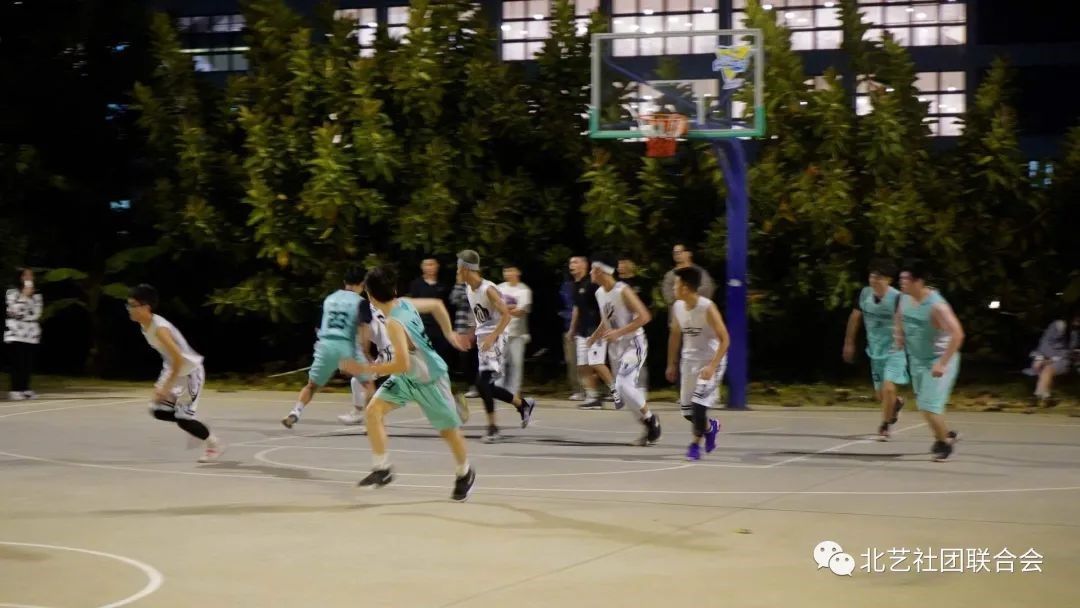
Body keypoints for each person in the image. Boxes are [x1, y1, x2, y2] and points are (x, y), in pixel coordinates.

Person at [338, 265, 475, 501]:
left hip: (429, 379)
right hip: (407, 378)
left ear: (370, 295)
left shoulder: (394, 323)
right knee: (373, 412)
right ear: (394, 289)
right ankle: (382, 469)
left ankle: (465, 472)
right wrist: (449, 333)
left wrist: (366, 369)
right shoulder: (404, 302)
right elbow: (437, 305)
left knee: (448, 432)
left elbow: (401, 363)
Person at [127, 284, 223, 463]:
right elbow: (171, 359)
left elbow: (178, 359)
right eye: (128, 305)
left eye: (132, 305)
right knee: (157, 410)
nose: (129, 309)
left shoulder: (160, 328)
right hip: (173, 369)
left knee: (183, 420)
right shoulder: (144, 325)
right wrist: (164, 385)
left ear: (146, 307)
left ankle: (212, 443)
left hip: (190, 371)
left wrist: (166, 387)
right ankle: (190, 420)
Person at [457, 250, 536, 442]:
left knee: (482, 382)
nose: (457, 271)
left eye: (458, 267)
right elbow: (479, 316)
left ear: (466, 268)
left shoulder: (488, 289)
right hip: (483, 338)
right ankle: (522, 404)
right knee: (486, 386)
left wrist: (492, 337)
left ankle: (493, 428)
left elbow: (506, 316)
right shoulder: (469, 288)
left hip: (497, 337)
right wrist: (469, 334)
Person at [281, 267, 371, 429]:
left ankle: (295, 412)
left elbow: (318, 327)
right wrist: (365, 352)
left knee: (311, 385)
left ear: (345, 282)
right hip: (347, 345)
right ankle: (370, 422)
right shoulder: (361, 302)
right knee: (368, 385)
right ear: (362, 284)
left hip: (326, 345)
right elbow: (364, 328)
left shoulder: (329, 299)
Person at [587, 254, 662, 446]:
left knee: (622, 385)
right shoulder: (599, 293)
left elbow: (645, 316)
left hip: (633, 344)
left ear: (602, 271)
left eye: (593, 269)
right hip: (616, 347)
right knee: (623, 391)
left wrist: (618, 332)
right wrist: (594, 337)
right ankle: (648, 428)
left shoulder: (623, 290)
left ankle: (651, 419)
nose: (590, 272)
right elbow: (606, 320)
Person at [896, 261, 962, 462]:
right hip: (917, 360)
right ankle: (945, 435)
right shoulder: (904, 299)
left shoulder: (936, 305)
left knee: (929, 406)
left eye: (906, 279)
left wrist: (942, 363)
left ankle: (944, 444)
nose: (902, 283)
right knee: (923, 405)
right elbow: (899, 316)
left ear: (919, 281)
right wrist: (899, 335)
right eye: (901, 279)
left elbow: (958, 334)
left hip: (939, 360)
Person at [666, 266, 729, 461]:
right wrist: (671, 363)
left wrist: (712, 366)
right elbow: (675, 335)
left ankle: (694, 445)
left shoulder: (707, 307)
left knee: (699, 405)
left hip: (710, 361)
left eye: (675, 285)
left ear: (685, 287)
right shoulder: (677, 307)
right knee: (688, 412)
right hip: (689, 361)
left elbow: (725, 339)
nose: (673, 288)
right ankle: (711, 428)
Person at [843, 259, 909, 440]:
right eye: (872, 276)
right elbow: (855, 318)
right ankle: (896, 403)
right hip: (875, 351)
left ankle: (885, 425)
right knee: (881, 396)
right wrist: (849, 343)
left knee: (888, 388)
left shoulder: (897, 298)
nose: (874, 280)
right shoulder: (865, 294)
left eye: (879, 277)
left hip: (894, 351)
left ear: (889, 280)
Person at [567, 255, 609, 409]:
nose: (572, 265)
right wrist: (572, 329)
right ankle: (593, 397)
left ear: (584, 265)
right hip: (582, 331)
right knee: (582, 366)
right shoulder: (574, 285)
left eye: (575, 262)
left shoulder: (592, 284)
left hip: (596, 329)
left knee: (597, 364)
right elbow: (576, 308)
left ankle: (617, 391)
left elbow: (604, 306)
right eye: (570, 262)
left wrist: (605, 327)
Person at [1025, 309, 1080, 407]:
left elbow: (1070, 351)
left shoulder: (1074, 333)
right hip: (1047, 357)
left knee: (1047, 369)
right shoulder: (1057, 326)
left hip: (1062, 360)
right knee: (1041, 367)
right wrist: (1041, 358)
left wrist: (1052, 359)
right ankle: (1046, 397)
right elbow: (1043, 345)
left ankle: (1037, 396)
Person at [5, 268, 42, 400]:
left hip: (31, 333)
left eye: (31, 275)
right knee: (17, 362)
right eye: (26, 275)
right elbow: (13, 311)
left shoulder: (37, 294)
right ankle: (15, 389)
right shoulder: (12, 293)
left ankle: (25, 388)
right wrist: (24, 296)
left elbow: (37, 313)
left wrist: (28, 299)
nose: (29, 277)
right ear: (20, 277)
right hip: (16, 332)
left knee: (28, 363)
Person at [496, 263, 532, 400]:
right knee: (500, 361)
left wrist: (504, 308)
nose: (508, 274)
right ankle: (499, 389)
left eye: (511, 270)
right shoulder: (499, 288)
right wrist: (510, 307)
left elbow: (520, 311)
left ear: (518, 272)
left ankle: (515, 390)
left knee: (516, 363)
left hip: (518, 333)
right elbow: (494, 308)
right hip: (501, 331)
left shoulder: (524, 290)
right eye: (505, 271)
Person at [559, 272, 583, 400]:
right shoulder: (566, 286)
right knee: (572, 361)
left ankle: (591, 390)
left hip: (586, 329)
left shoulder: (589, 284)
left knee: (589, 362)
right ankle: (578, 390)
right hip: (569, 327)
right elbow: (564, 305)